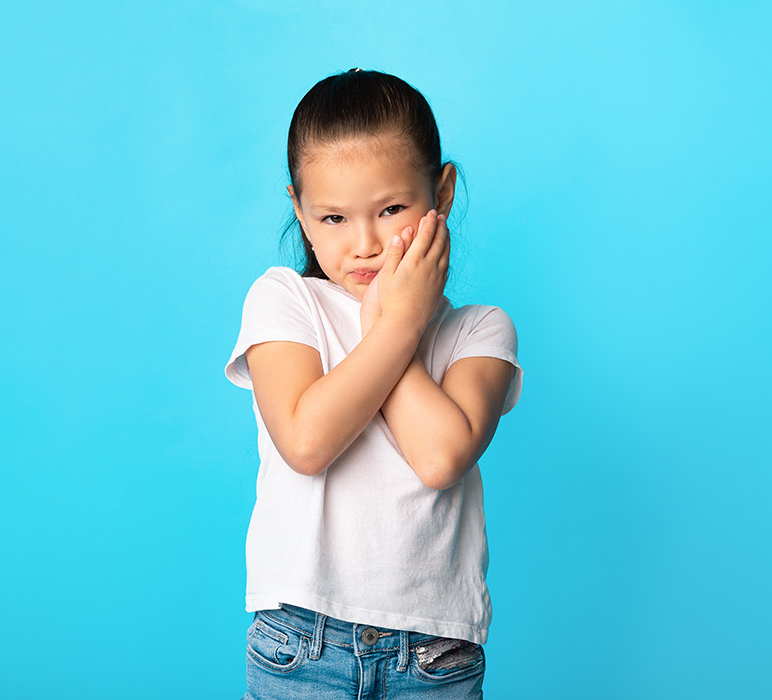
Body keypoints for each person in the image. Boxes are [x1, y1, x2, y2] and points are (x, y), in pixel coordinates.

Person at [224, 68, 523, 699]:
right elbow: (307, 442)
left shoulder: (479, 331)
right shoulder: (285, 301)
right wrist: (395, 325)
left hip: (434, 661)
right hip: (302, 644)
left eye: (391, 210)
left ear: (441, 193)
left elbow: (440, 457)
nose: (364, 245)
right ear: (300, 211)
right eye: (333, 217)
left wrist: (399, 321)